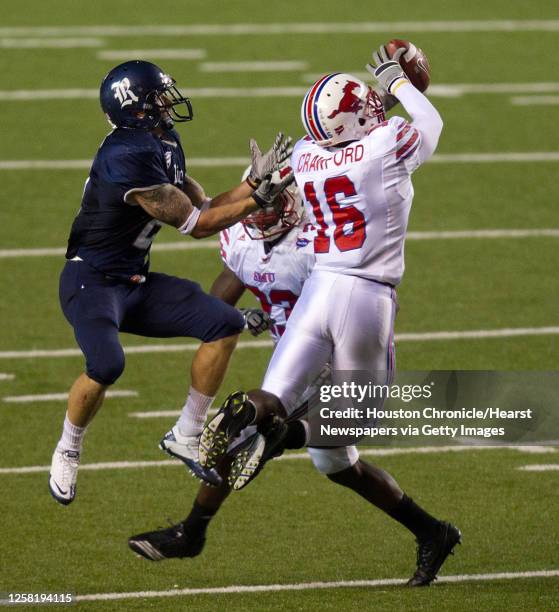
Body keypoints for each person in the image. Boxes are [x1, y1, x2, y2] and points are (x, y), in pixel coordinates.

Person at [198, 45, 461, 586]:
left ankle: (261, 420)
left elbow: (311, 152)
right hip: (366, 295)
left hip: (321, 290)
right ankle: (284, 433)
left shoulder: (307, 157)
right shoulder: (386, 145)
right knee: (361, 417)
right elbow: (430, 123)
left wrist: (253, 185)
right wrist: (399, 82)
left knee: (329, 453)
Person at [48, 60, 293, 506]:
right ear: (136, 108)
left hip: (135, 282)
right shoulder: (125, 157)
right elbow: (199, 225)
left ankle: (188, 431)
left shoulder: (160, 141)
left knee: (223, 324)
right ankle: (69, 445)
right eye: (158, 97)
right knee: (106, 365)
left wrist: (253, 183)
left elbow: (204, 203)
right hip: (92, 282)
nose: (167, 102)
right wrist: (257, 199)